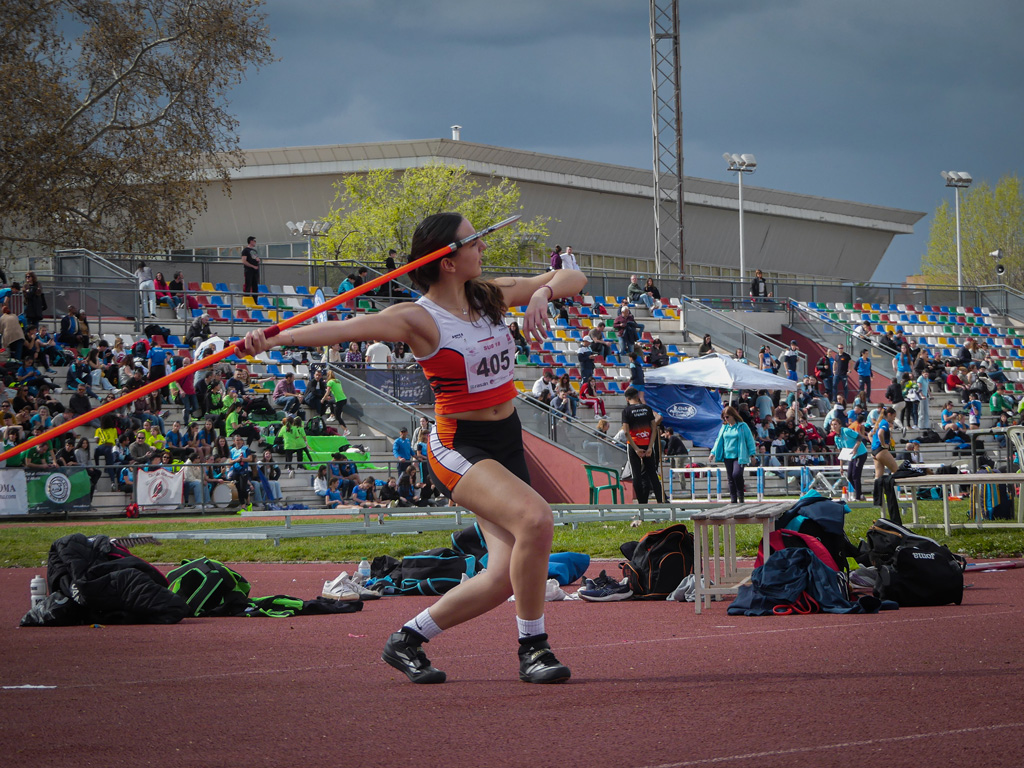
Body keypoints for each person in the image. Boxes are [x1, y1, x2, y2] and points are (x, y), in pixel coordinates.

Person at [241, 210, 587, 685]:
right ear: (447, 260)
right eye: (474, 242)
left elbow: (573, 275)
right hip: (457, 444)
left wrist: (543, 292)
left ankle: (407, 638)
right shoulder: (417, 318)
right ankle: (534, 648)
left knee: (504, 575)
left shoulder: (488, 296)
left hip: (506, 439)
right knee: (536, 518)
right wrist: (273, 338)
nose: (483, 248)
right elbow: (345, 330)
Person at [620, 386, 663, 504]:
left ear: (627, 399)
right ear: (638, 397)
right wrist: (649, 447)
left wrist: (636, 449)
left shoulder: (626, 411)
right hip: (647, 445)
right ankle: (661, 502)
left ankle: (642, 505)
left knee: (636, 476)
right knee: (653, 475)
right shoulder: (647, 409)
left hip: (634, 446)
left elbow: (626, 432)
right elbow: (654, 428)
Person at [710, 405, 756, 503]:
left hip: (739, 455)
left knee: (737, 474)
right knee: (730, 477)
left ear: (733, 415)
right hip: (727, 455)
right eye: (724, 417)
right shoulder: (724, 427)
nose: (726, 419)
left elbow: (749, 440)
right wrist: (713, 452)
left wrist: (752, 454)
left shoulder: (742, 426)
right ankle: (733, 499)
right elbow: (718, 440)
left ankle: (741, 496)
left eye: (727, 417)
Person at [832, 418, 868, 501]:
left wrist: (855, 448)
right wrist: (841, 466)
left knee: (855, 475)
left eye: (835, 424)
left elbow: (859, 437)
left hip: (860, 453)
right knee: (849, 476)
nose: (834, 426)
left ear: (840, 425)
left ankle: (858, 497)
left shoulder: (846, 431)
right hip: (852, 456)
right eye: (832, 425)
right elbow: (842, 452)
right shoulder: (836, 438)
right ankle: (860, 494)